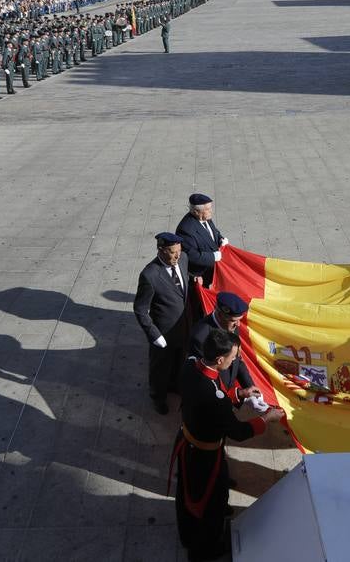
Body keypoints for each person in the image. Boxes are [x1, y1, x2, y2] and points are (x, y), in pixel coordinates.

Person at [171, 328, 282, 561]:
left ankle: (186, 535)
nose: (234, 361)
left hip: (188, 443)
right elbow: (238, 431)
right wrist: (266, 419)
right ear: (220, 359)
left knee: (185, 494)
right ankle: (206, 549)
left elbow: (208, 400)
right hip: (205, 457)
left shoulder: (191, 365)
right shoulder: (216, 399)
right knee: (211, 502)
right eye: (233, 358)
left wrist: (239, 393)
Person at [134, 232, 191, 415]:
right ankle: (157, 397)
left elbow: (183, 288)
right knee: (160, 368)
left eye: (179, 251)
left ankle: (174, 385)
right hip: (163, 334)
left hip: (183, 328)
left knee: (178, 361)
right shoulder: (150, 275)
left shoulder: (183, 260)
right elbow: (140, 309)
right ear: (161, 250)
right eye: (173, 252)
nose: (177, 256)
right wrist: (154, 334)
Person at [188, 292, 260, 403]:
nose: (238, 324)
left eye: (239, 319)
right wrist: (237, 394)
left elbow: (237, 359)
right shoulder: (200, 337)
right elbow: (204, 379)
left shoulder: (231, 325)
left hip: (228, 389)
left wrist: (252, 388)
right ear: (220, 314)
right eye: (234, 320)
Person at [176, 193, 227, 288]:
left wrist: (220, 239)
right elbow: (192, 256)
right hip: (201, 277)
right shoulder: (186, 230)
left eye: (210, 208)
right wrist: (213, 256)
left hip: (213, 271)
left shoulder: (205, 217)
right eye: (208, 209)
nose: (211, 211)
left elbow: (213, 231)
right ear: (196, 211)